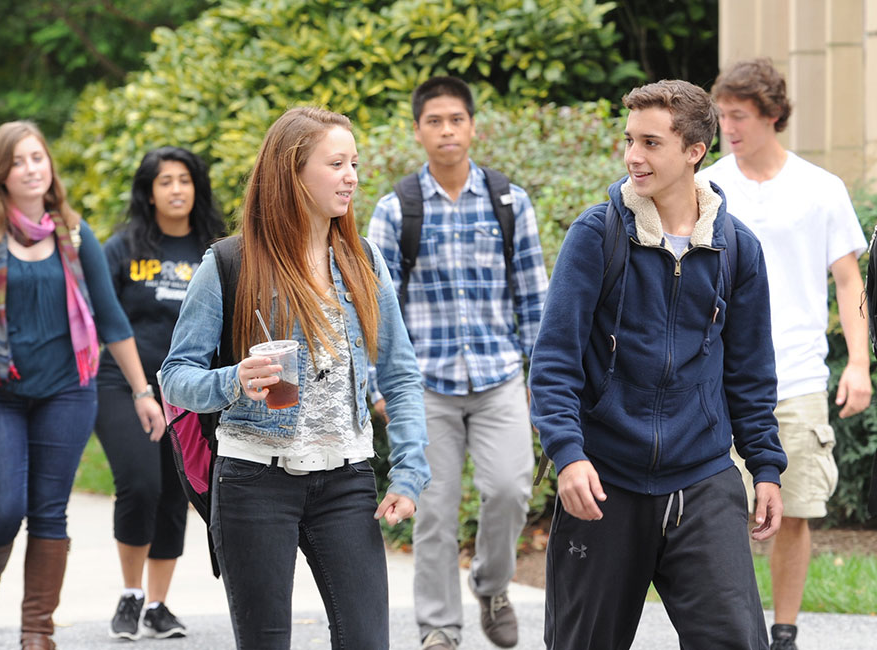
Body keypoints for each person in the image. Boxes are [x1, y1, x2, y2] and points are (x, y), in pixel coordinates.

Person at [530, 80, 788, 650]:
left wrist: (765, 466)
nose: (632, 156)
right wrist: (568, 457)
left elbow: (748, 372)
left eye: (650, 142)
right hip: (603, 481)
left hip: (702, 478)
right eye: (629, 140)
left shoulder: (736, 248)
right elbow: (554, 362)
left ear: (694, 151)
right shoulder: (596, 236)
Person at [160, 106, 429, 649]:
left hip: (346, 479)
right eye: (336, 163)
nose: (352, 175)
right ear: (292, 171)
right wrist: (235, 379)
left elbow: (399, 375)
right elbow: (174, 377)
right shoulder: (230, 263)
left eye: (354, 162)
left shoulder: (363, 259)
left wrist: (408, 470)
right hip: (255, 481)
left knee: (368, 641)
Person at [0, 121, 164, 650]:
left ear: (49, 167)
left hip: (68, 391)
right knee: (1, 510)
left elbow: (112, 319)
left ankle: (36, 631)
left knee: (49, 509)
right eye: (19, 161)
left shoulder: (72, 233)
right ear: (0, 174)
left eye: (38, 158)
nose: (31, 168)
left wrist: (141, 392)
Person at [367, 76, 548, 650]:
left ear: (472, 126)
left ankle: (492, 586)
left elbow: (535, 301)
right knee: (432, 511)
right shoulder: (396, 210)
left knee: (510, 490)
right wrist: (380, 389)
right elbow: (373, 310)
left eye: (456, 120)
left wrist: (542, 382)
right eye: (434, 121)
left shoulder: (508, 202)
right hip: (425, 388)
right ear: (418, 130)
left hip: (499, 380)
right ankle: (440, 627)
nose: (446, 130)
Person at [698, 58, 871, 650]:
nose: (728, 128)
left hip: (796, 377)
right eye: (721, 117)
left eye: (739, 116)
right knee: (724, 513)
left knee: (794, 510)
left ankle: (785, 632)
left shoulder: (821, 188)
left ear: (772, 115)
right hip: (719, 379)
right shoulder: (710, 185)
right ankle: (739, 627)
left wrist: (857, 363)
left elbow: (849, 281)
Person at [95, 146, 225, 640]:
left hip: (189, 390)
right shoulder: (123, 248)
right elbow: (102, 319)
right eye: (165, 180)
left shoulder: (214, 249)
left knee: (177, 491)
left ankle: (157, 604)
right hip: (121, 385)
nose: (176, 189)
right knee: (140, 483)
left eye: (184, 180)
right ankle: (130, 594)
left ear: (197, 188)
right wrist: (136, 387)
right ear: (148, 191)